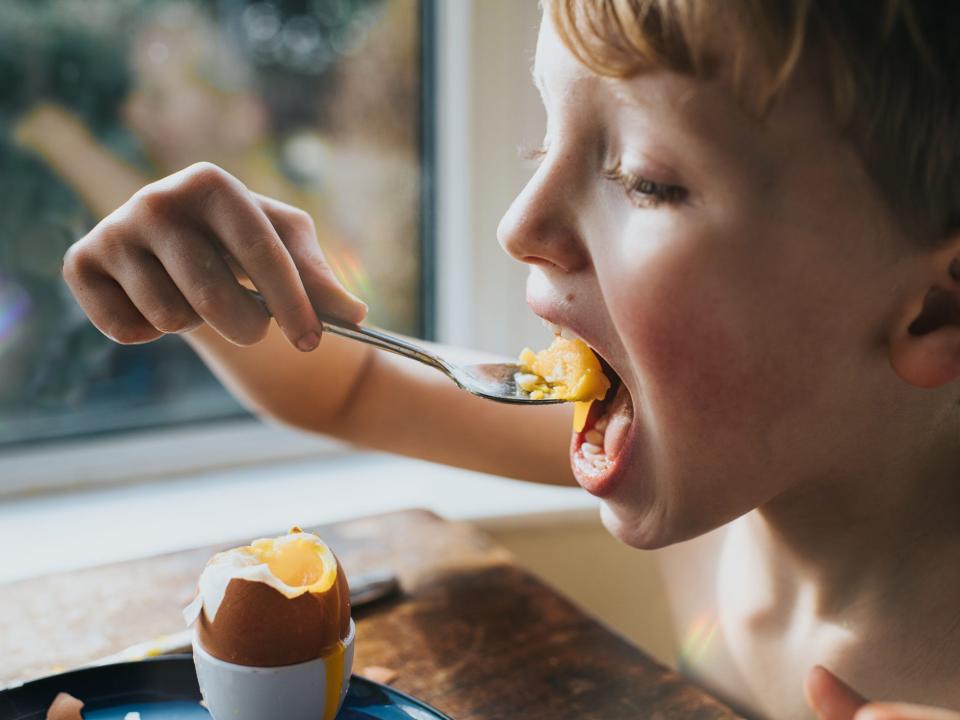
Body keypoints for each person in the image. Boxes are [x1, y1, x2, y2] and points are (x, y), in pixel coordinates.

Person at [60, 1, 960, 718]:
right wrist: (212, 275)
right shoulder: (731, 456)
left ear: (933, 309)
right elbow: (358, 385)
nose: (517, 227)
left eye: (646, 179)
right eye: (542, 139)